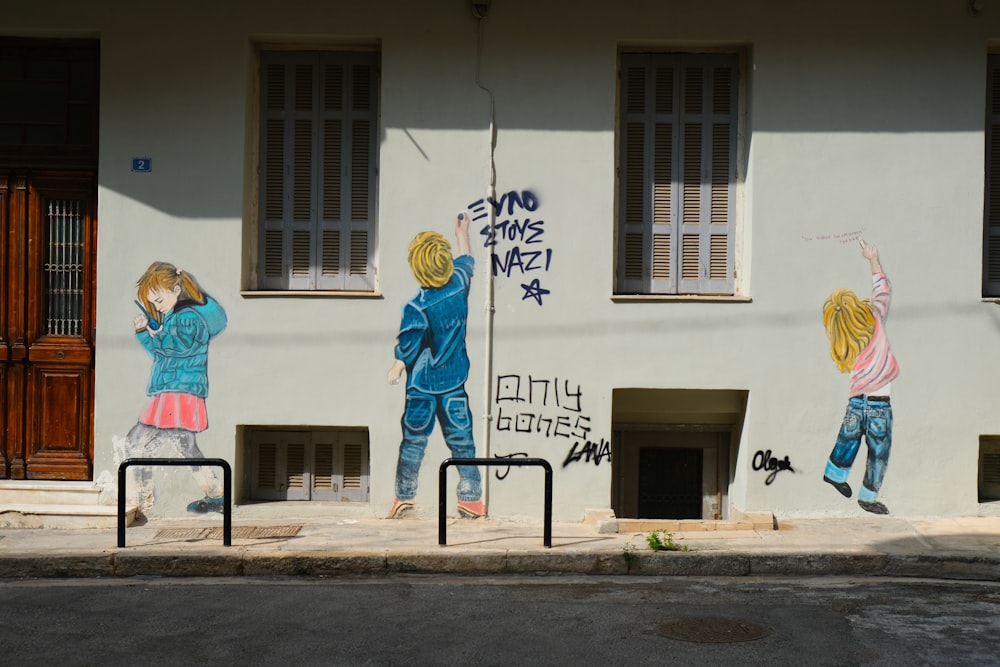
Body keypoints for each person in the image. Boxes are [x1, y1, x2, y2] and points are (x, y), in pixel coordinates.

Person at [386, 211, 485, 519]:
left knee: (414, 441)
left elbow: (409, 345)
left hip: (422, 387)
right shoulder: (459, 284)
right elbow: (467, 260)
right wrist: (461, 233)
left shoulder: (416, 307)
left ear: (417, 270)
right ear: (445, 261)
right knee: (462, 439)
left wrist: (397, 365)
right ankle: (470, 498)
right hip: (455, 381)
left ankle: (404, 496)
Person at [116, 261, 228, 514]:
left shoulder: (187, 318)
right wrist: (148, 333)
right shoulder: (177, 318)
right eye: (153, 303)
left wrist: (148, 332)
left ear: (176, 289)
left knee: (136, 442)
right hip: (175, 390)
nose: (157, 306)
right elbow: (163, 354)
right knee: (184, 447)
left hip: (178, 391)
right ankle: (216, 495)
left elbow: (171, 349)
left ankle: (143, 498)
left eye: (159, 299)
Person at [821, 241, 899, 515]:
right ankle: (867, 497)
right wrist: (873, 260)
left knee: (848, 440)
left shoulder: (845, 343)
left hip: (856, 401)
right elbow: (882, 290)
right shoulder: (875, 319)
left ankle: (835, 473)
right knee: (878, 452)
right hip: (879, 404)